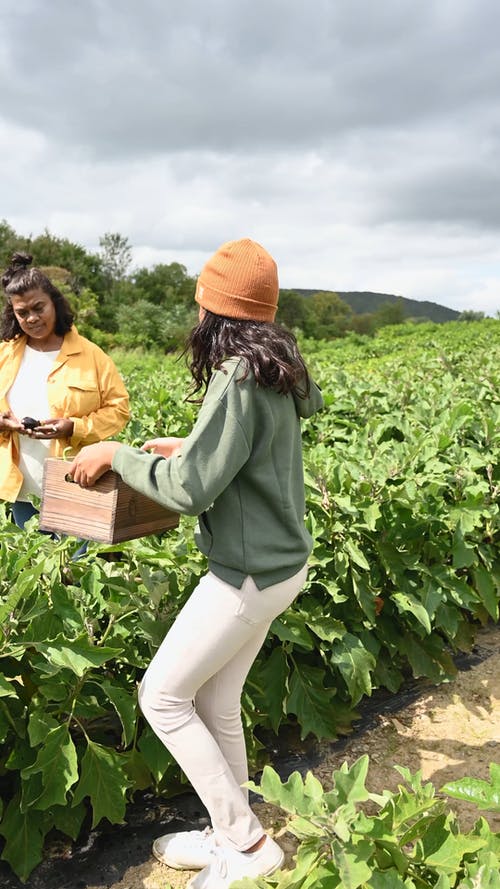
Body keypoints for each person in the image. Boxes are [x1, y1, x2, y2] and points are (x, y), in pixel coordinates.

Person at [67, 238, 323, 889]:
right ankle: (227, 827)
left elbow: (189, 491)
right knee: (216, 698)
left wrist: (118, 455)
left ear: (214, 308)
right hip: (281, 562)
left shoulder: (237, 372)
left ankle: (248, 843)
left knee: (163, 695)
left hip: (247, 572)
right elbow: (250, 448)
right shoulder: (273, 363)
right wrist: (195, 443)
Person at [0, 252, 130, 535]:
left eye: (39, 308)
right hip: (18, 490)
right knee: (29, 570)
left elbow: (118, 409)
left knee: (73, 570)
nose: (32, 318)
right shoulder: (5, 354)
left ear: (55, 304)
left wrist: (74, 427)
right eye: (22, 313)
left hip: (76, 486)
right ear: (14, 313)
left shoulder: (91, 355)